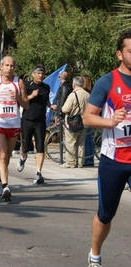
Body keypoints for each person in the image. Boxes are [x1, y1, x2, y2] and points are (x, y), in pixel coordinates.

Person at [83, 30, 131, 267]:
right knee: (105, 214)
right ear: (119, 54)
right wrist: (110, 121)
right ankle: (95, 255)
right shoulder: (108, 81)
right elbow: (87, 118)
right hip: (114, 160)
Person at [0, 56, 29, 201]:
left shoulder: (19, 82)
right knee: (1, 154)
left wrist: (18, 98)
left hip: (13, 124)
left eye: (12, 66)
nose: (9, 68)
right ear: (1, 67)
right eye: (7, 65)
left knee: (7, 156)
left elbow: (26, 105)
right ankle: (5, 186)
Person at [16, 64, 57, 184]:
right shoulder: (27, 85)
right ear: (33, 74)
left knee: (40, 147)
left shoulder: (46, 87)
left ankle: (38, 173)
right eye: (38, 73)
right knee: (25, 146)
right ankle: (23, 158)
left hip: (40, 121)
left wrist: (50, 106)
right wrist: (31, 96)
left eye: (42, 73)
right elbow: (21, 100)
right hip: (27, 119)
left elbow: (46, 100)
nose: (41, 75)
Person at [60, 76, 90, 168]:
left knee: (71, 142)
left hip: (73, 122)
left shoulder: (73, 95)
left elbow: (65, 109)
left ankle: (71, 162)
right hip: (85, 121)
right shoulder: (88, 95)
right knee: (81, 143)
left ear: (74, 84)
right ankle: (80, 162)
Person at [82, 75, 95, 167]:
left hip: (85, 117)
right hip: (92, 116)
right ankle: (90, 159)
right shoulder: (92, 92)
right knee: (89, 139)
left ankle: (87, 159)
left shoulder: (84, 93)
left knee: (85, 139)